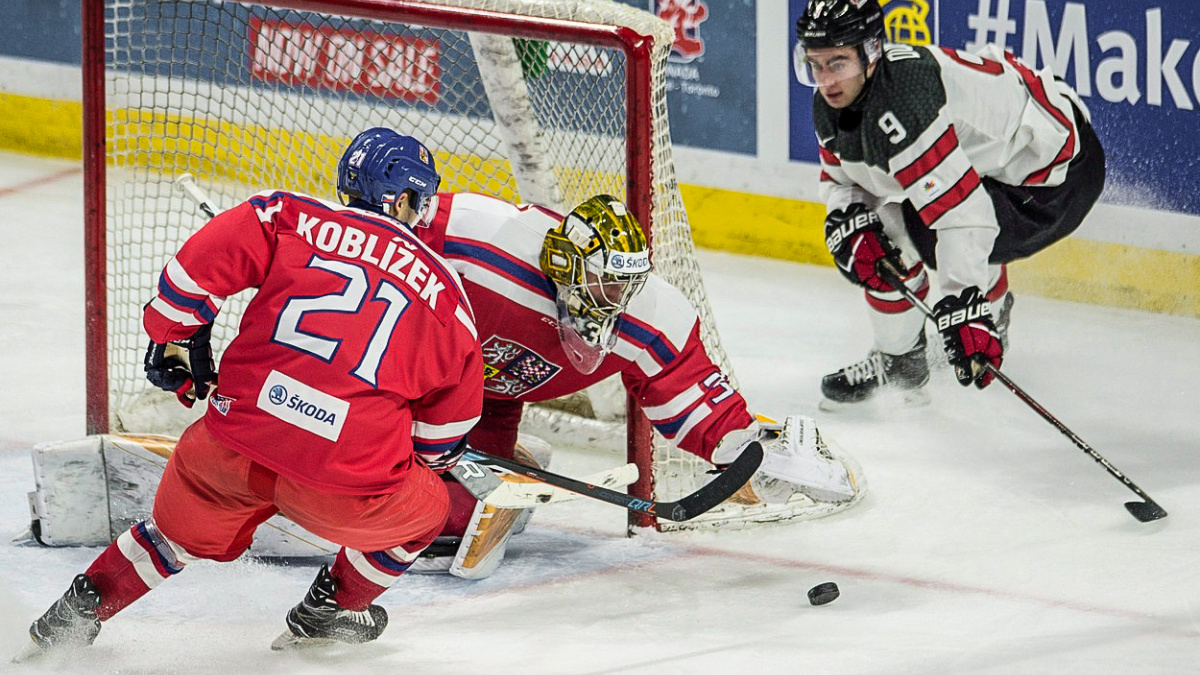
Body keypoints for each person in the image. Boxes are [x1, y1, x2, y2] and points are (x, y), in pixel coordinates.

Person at [23, 128, 484, 654]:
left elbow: (181, 290)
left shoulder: (285, 215)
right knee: (428, 511)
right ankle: (333, 610)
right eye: (418, 200)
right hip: (342, 488)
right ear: (400, 199)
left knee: (173, 535)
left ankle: (76, 612)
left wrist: (180, 339)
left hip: (225, 452)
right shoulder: (451, 300)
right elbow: (437, 446)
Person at [406, 190, 862, 579]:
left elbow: (696, 400)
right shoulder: (479, 244)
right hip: (424, 390)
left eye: (625, 284)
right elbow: (385, 242)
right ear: (565, 263)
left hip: (483, 410)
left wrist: (758, 457)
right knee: (376, 492)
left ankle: (505, 461)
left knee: (438, 523)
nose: (617, 300)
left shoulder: (650, 317)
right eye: (604, 282)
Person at [793, 0, 1105, 409]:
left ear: (871, 51)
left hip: (1052, 184)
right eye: (815, 64)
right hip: (1021, 155)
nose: (826, 79)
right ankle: (985, 314)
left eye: (837, 63)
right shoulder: (841, 100)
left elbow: (962, 214)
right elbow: (843, 181)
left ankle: (905, 362)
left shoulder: (907, 104)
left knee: (897, 235)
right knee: (872, 232)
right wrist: (848, 214)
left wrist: (965, 303)